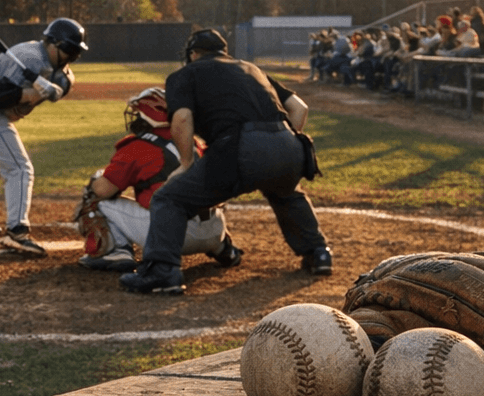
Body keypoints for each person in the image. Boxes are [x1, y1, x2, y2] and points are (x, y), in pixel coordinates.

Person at [122, 29, 331, 296]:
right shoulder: (250, 68)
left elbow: (182, 119)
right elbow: (300, 108)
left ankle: (162, 272)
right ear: (224, 51)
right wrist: (278, 142)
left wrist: (186, 163)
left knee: (170, 198)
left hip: (240, 145)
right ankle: (319, 254)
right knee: (285, 191)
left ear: (193, 54)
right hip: (290, 144)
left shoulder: (186, 73)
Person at [0, 18, 86, 257]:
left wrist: (52, 92)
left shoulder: (64, 74)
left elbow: (61, 87)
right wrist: (30, 92)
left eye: (75, 53)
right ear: (51, 44)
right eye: (67, 50)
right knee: (20, 169)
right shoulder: (28, 57)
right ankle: (17, 232)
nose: (70, 56)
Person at [75, 87, 237, 271]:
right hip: (215, 230)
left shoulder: (137, 147)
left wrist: (97, 178)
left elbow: (103, 190)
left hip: (174, 237)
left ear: (148, 117)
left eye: (139, 114)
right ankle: (225, 249)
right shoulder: (194, 143)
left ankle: (116, 251)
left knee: (95, 197)